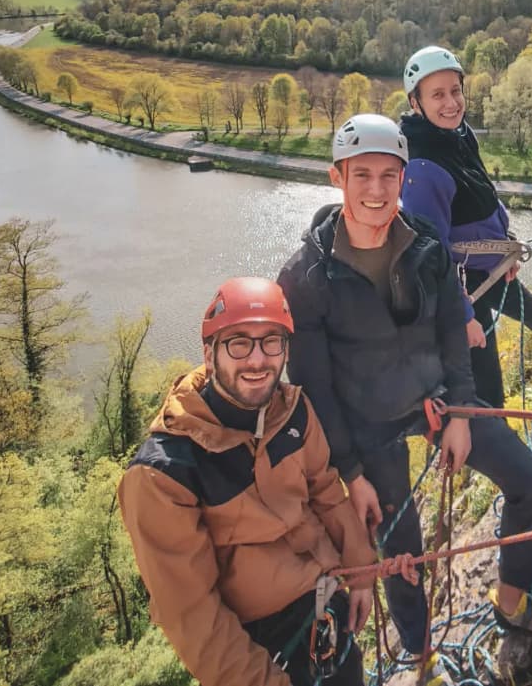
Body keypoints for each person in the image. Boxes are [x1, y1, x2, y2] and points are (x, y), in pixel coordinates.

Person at [278, 114, 532, 686]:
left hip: (435, 400)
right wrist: (352, 471)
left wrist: (460, 411)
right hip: (369, 430)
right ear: (337, 177)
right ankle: (419, 655)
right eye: (362, 174)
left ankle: (509, 600)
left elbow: (448, 338)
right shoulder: (306, 277)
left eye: (390, 175)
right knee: (401, 552)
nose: (377, 190)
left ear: (403, 178)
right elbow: (315, 389)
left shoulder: (427, 243)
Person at [118, 277, 376, 686]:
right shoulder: (165, 475)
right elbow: (193, 616)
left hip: (326, 602)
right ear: (209, 352)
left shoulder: (294, 412)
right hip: (256, 642)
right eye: (239, 343)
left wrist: (361, 572)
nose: (257, 360)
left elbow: (327, 491)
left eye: (271, 342)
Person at [399, 46, 532, 408]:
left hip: (491, 268)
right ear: (415, 103)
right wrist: (461, 314)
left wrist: (504, 244)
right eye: (437, 95)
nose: (451, 103)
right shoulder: (421, 166)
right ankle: (492, 448)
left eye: (455, 90)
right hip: (462, 286)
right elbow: (429, 254)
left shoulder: (459, 135)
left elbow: (482, 195)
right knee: (486, 376)